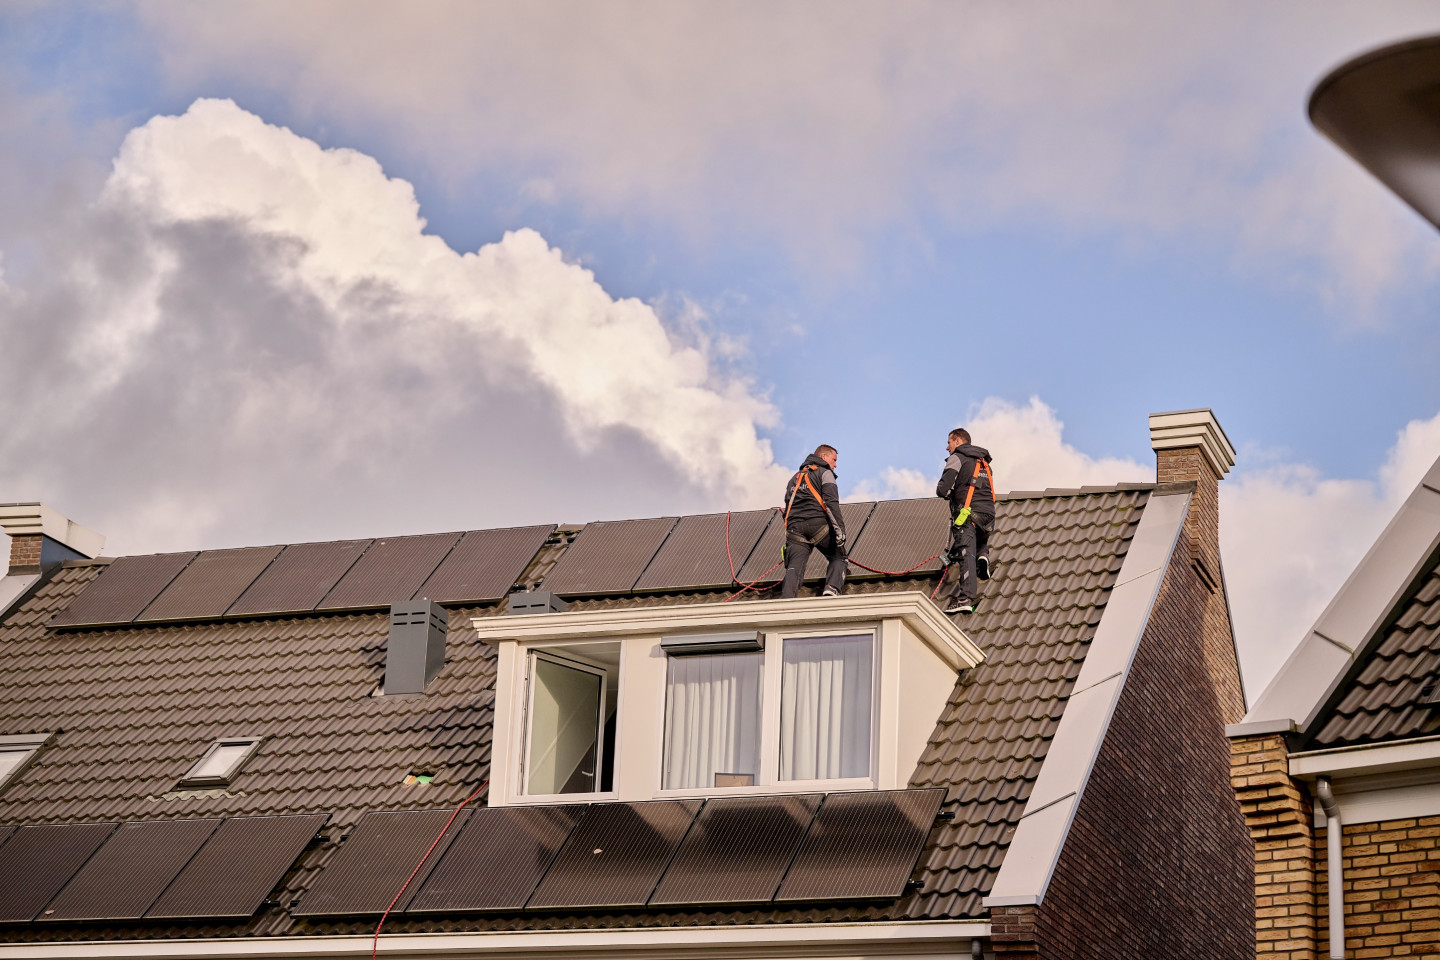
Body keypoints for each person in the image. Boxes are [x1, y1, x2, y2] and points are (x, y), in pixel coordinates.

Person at [935, 428, 995, 615]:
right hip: (988, 514)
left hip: (967, 513)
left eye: (949, 442)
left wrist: (946, 492)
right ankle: (983, 555)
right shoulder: (984, 463)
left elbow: (943, 489)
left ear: (958, 441)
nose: (947, 447)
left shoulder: (957, 457)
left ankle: (965, 598)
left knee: (965, 551)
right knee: (980, 538)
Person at [780, 445, 847, 599]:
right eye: (834, 459)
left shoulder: (794, 479)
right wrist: (840, 531)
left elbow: (787, 507)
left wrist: (789, 536)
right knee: (839, 557)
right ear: (823, 457)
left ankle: (786, 600)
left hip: (794, 530)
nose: (835, 464)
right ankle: (831, 589)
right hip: (818, 527)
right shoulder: (825, 473)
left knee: (794, 568)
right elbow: (831, 504)